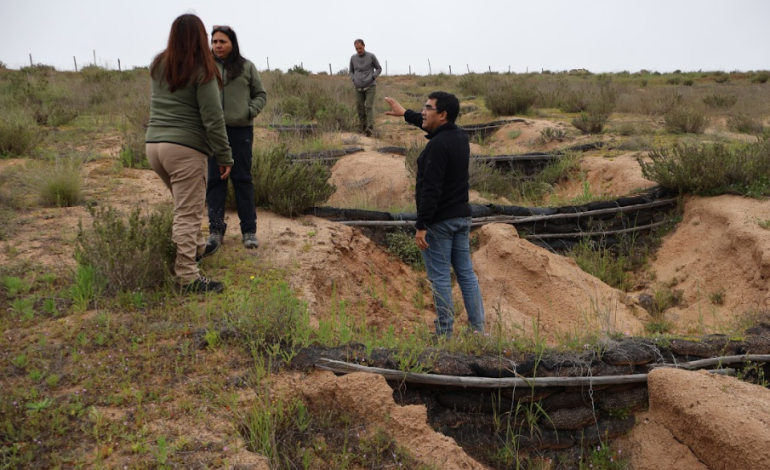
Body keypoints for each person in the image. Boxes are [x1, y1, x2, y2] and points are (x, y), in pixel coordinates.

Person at [384, 92, 485, 338]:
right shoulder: (459, 136)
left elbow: (431, 188)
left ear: (443, 115)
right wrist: (405, 113)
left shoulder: (438, 145)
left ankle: (444, 334)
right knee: (466, 275)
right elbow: (429, 126)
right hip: (462, 218)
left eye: (428, 108)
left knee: (440, 278)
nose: (423, 112)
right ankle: (478, 332)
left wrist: (422, 225)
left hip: (440, 222)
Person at [146, 14, 233, 294]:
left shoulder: (160, 63)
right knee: (188, 211)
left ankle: (197, 248)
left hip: (155, 147)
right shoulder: (202, 69)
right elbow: (213, 119)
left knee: (188, 205)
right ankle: (186, 276)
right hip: (185, 149)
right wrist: (225, 155)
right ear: (199, 37)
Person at [206, 25, 267, 252]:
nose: (218, 46)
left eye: (222, 41)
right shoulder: (206, 66)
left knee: (242, 179)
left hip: (240, 132)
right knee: (215, 180)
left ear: (232, 43)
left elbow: (260, 94)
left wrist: (249, 111)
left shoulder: (247, 67)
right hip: (213, 132)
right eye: (214, 42)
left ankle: (249, 231)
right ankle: (215, 230)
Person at [349, 39, 382, 137]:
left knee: (368, 106)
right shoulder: (353, 58)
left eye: (360, 48)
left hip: (370, 86)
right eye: (357, 48)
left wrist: (373, 76)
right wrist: (353, 78)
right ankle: (362, 126)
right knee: (360, 107)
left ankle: (370, 127)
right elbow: (351, 71)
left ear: (364, 46)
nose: (359, 50)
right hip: (358, 86)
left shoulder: (371, 56)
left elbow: (379, 68)